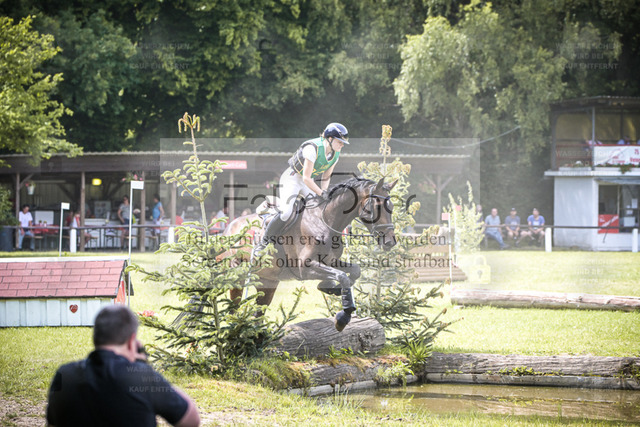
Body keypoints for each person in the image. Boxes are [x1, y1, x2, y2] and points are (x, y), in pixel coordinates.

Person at [46, 305, 200, 427]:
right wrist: (150, 374)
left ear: (96, 337)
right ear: (132, 341)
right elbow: (191, 420)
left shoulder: (64, 375)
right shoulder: (141, 376)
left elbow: (52, 423)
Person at [252, 123, 349, 256]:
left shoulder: (336, 154)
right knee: (286, 213)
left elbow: (326, 176)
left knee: (320, 208)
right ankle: (263, 242)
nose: (342, 145)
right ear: (330, 139)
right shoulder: (312, 148)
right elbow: (306, 178)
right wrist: (321, 193)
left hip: (307, 182)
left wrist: (324, 192)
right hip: (292, 178)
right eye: (340, 142)